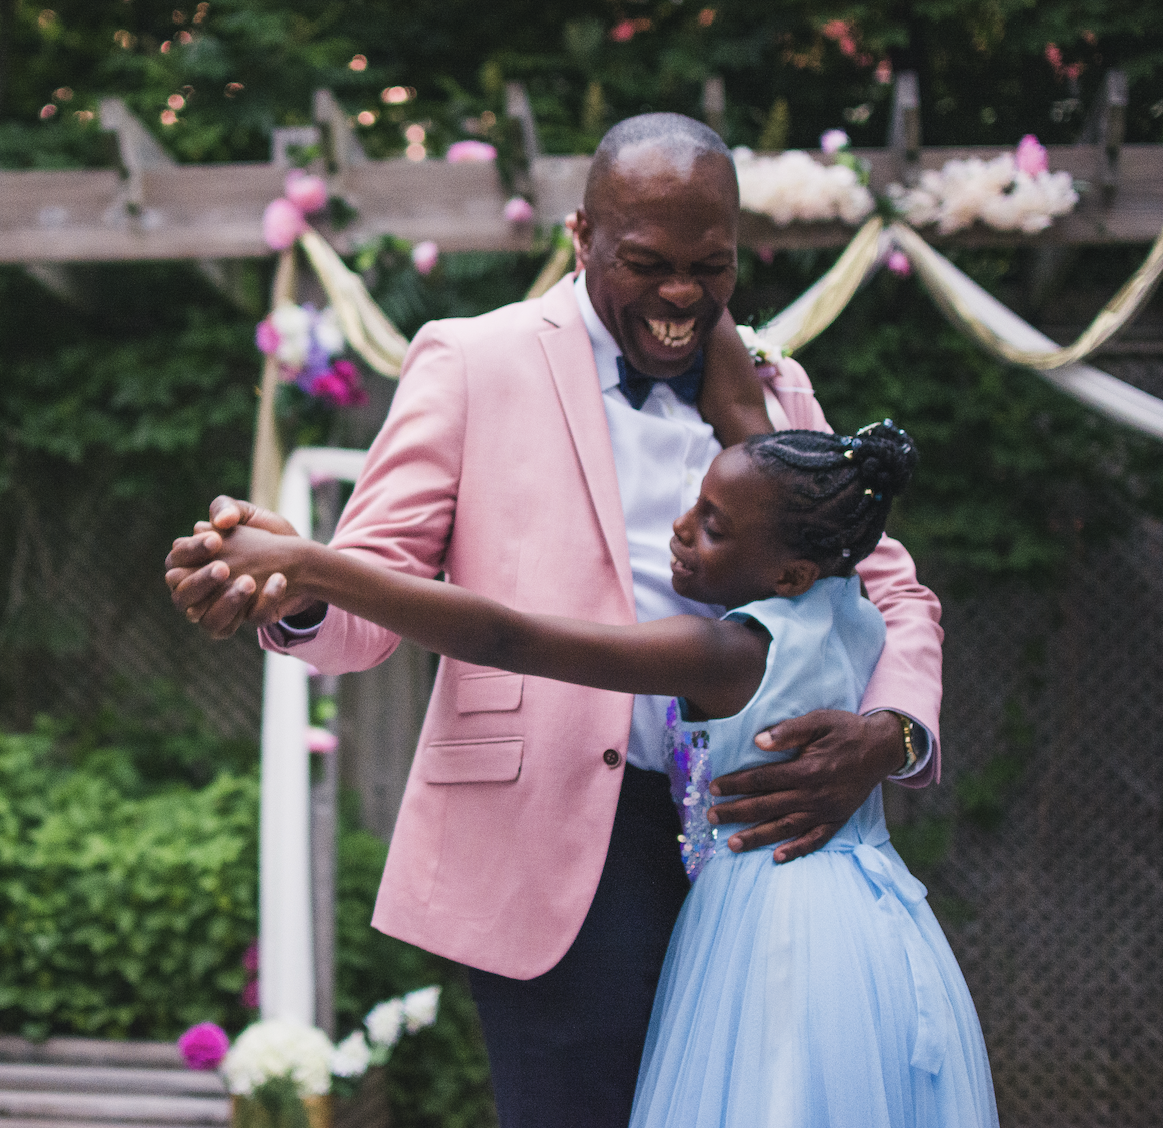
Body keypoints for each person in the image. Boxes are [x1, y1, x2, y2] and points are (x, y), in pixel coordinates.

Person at [166, 113, 944, 1128]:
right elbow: (373, 603)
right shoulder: (472, 361)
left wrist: (891, 736)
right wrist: (307, 588)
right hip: (556, 842)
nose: (681, 296)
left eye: (709, 266)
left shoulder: (774, 387)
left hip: (760, 843)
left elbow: (889, 588)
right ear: (579, 237)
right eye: (646, 262)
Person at [190, 422, 998, 1128]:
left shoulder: (727, 651)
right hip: (872, 917)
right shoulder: (850, 609)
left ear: (788, 573)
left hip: (772, 924)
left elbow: (512, 638)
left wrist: (312, 564)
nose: (680, 531)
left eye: (712, 527)